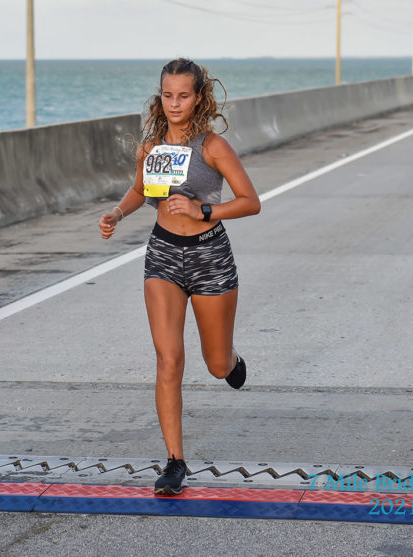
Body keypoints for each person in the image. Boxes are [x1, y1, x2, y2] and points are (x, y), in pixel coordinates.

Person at [98, 58, 260, 496]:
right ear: (160, 97)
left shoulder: (213, 147)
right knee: (168, 360)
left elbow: (250, 201)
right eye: (168, 95)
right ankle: (174, 462)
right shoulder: (150, 148)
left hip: (210, 258)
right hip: (164, 256)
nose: (174, 103)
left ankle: (231, 362)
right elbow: (139, 190)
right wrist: (117, 212)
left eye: (183, 95)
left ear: (199, 98)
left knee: (214, 363)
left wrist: (202, 209)